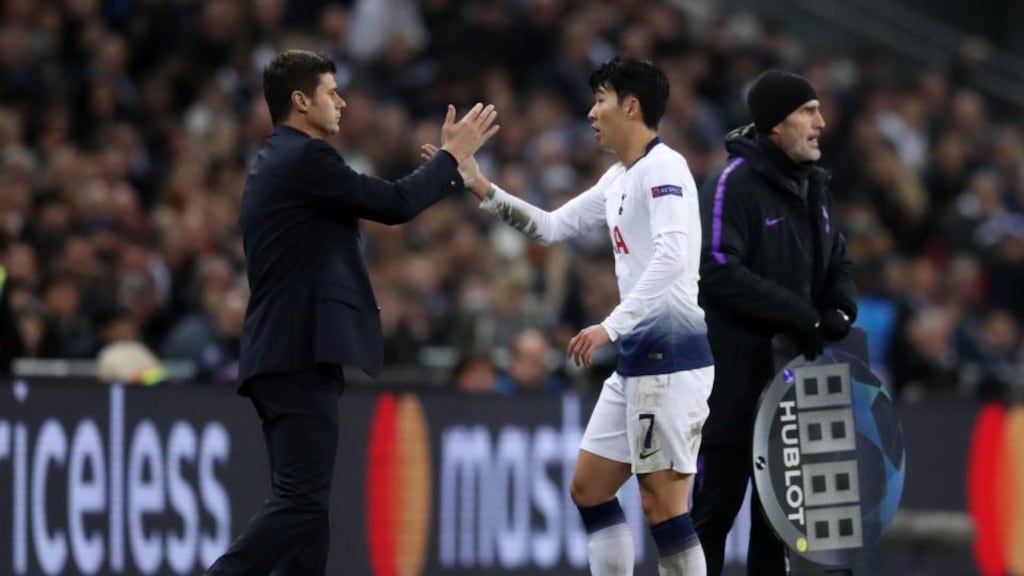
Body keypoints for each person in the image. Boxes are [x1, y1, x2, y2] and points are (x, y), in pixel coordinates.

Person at [205, 50, 498, 575]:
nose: (341, 102)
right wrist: (452, 158)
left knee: (307, 515)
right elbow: (393, 204)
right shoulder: (305, 159)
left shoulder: (280, 161)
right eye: (331, 92)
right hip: (296, 353)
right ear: (300, 101)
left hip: (284, 353)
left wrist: (445, 168)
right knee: (300, 503)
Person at [425, 56, 712, 575]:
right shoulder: (619, 177)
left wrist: (611, 324)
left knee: (663, 506)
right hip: (637, 362)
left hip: (671, 360)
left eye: (600, 99)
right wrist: (479, 185)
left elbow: (673, 256)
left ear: (631, 106)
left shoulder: (666, 168)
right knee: (589, 488)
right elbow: (551, 227)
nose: (591, 112)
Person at [690, 70, 858, 575]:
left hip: (795, 386)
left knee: (783, 527)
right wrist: (802, 314)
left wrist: (839, 311)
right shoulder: (730, 183)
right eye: (808, 112)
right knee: (711, 518)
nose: (821, 123)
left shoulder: (815, 188)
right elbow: (715, 267)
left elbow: (839, 263)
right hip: (732, 384)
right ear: (774, 126)